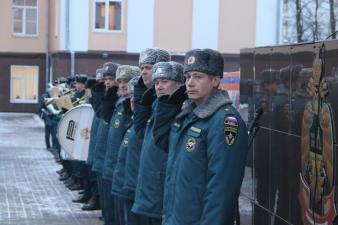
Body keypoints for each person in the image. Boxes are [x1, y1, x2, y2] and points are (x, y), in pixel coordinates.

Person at [156, 49, 248, 225]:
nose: (190, 83)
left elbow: (222, 189)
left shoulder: (224, 121)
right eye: (188, 77)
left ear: (215, 80)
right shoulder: (187, 116)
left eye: (198, 77)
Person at [132, 60, 185, 225]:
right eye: (156, 82)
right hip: (149, 188)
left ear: (179, 84)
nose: (159, 86)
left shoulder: (181, 111)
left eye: (165, 81)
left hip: (163, 191)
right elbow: (140, 132)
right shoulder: (157, 107)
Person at [101, 65, 139, 225]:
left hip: (125, 178)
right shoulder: (119, 105)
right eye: (120, 81)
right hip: (114, 171)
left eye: (126, 81)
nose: (122, 85)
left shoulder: (130, 108)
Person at [91, 62, 120, 223]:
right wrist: (98, 91)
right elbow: (100, 113)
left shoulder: (119, 101)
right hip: (103, 159)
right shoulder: (108, 98)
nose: (108, 82)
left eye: (111, 79)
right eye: (106, 79)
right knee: (107, 207)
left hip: (112, 164)